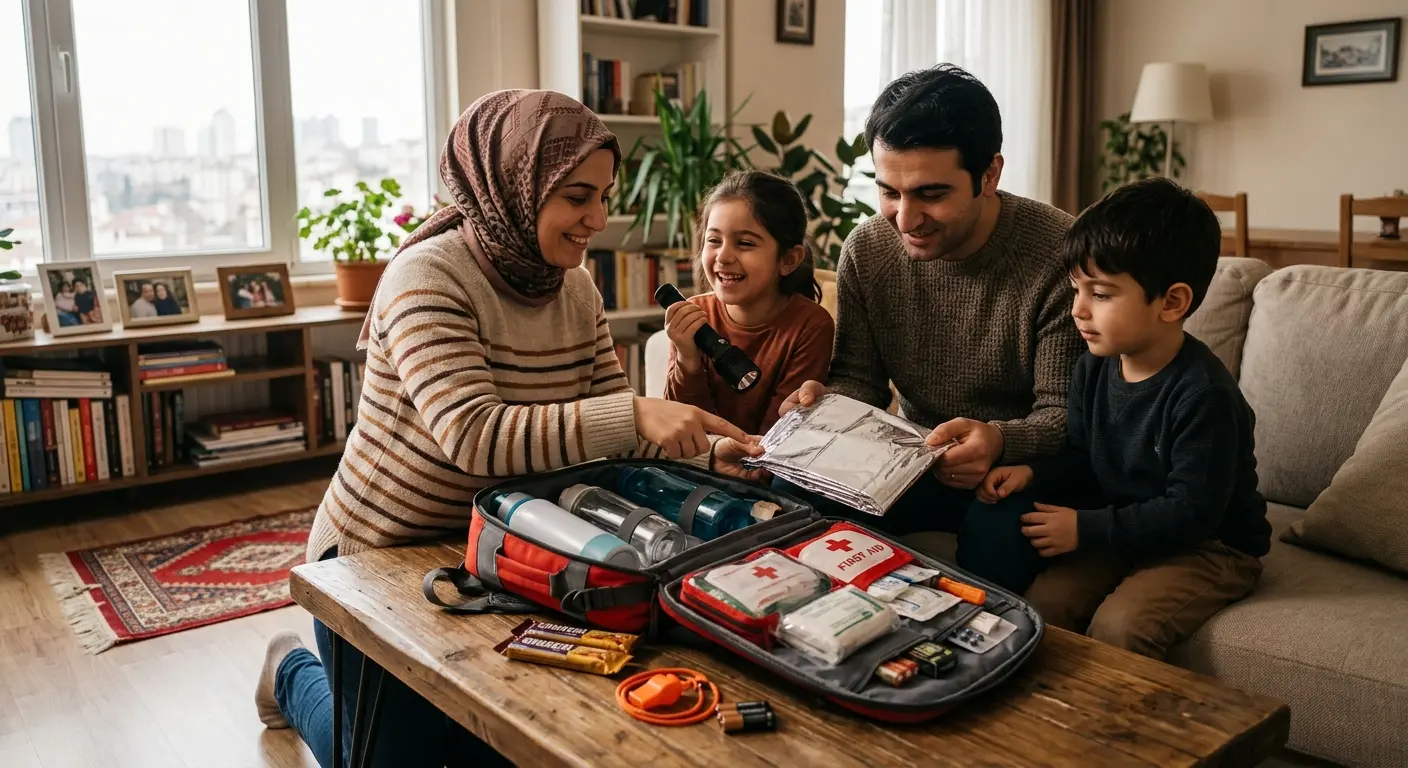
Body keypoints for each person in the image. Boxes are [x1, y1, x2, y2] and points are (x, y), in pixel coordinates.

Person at [252, 89, 763, 768]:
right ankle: (289, 671)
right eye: (577, 196)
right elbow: (473, 434)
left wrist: (707, 454)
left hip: (504, 544)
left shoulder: (575, 288)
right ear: (515, 185)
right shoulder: (426, 276)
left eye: (604, 195)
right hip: (377, 555)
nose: (597, 218)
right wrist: (638, 411)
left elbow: (609, 427)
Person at [777, 64, 1083, 594]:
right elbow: (859, 380)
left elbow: (1065, 416)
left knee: (1000, 537)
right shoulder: (868, 249)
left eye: (931, 194)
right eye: (889, 191)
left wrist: (999, 439)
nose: (904, 218)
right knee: (791, 493)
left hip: (1019, 466)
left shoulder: (1060, 253)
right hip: (912, 454)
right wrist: (825, 410)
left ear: (990, 174)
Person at [980, 178, 1271, 660]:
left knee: (1121, 629)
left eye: (1102, 293)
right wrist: (1033, 471)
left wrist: (1086, 530)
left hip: (1210, 546)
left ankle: (1118, 733)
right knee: (1042, 608)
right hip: (1125, 529)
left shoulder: (1204, 396)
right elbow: (1082, 456)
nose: (1078, 309)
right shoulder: (1093, 365)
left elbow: (1191, 512)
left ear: (1172, 303)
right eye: (1077, 288)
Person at [664, 170, 835, 435]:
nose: (723, 256)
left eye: (744, 243)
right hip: (700, 463)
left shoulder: (810, 327)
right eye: (713, 240)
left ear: (788, 260)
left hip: (761, 468)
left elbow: (778, 437)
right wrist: (688, 359)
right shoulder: (694, 316)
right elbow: (678, 429)